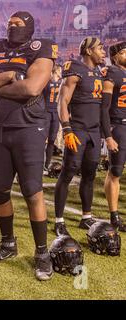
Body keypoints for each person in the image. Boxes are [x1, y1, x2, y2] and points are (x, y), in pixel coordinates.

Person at [0, 11, 57, 280]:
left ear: (29, 27)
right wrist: (10, 75)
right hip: (0, 127)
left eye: (17, 24)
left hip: (29, 127)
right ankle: (8, 243)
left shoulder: (41, 47)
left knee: (32, 191)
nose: (11, 27)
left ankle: (42, 253)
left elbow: (32, 88)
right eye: (9, 23)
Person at [54, 37, 106, 236]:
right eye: (100, 48)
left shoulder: (99, 72)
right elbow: (63, 101)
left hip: (94, 131)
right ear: (89, 51)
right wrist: (66, 129)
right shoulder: (75, 69)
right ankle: (59, 220)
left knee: (90, 174)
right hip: (78, 130)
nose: (103, 51)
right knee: (68, 172)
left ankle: (86, 216)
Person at [102, 41, 126, 232]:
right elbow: (105, 107)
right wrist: (108, 135)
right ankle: (114, 215)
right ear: (115, 56)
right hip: (119, 125)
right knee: (116, 171)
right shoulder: (112, 73)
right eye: (125, 52)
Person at [43, 64, 62, 170]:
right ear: (54, 71)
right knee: (42, 139)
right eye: (59, 70)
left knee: (51, 140)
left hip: (55, 113)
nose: (61, 72)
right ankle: (40, 162)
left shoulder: (61, 83)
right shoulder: (46, 82)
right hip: (46, 112)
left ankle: (47, 164)